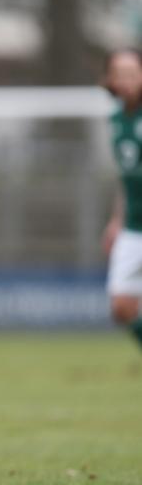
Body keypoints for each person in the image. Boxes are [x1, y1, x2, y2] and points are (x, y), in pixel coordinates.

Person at [101, 48, 142, 349]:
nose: (125, 81)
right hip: (131, 227)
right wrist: (116, 219)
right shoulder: (115, 119)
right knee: (121, 306)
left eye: (132, 73)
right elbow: (124, 177)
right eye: (119, 74)